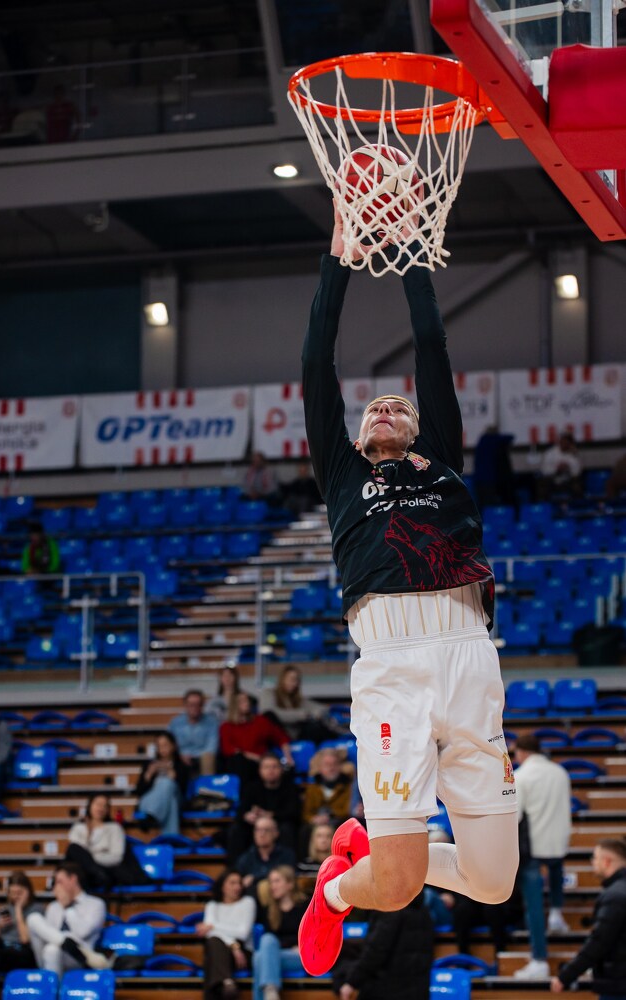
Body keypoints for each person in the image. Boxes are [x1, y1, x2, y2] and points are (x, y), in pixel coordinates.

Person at [297, 205, 518, 976]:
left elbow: (431, 343)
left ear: (419, 431)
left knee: (492, 883)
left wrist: (412, 248)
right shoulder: (342, 476)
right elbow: (316, 362)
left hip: (467, 656)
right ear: (359, 438)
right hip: (391, 666)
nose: (386, 407)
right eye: (373, 409)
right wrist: (340, 257)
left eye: (399, 406)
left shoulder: (442, 465)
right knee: (390, 890)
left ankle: (378, 855)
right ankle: (333, 891)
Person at [514, 733, 573, 980]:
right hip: (558, 841)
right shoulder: (560, 772)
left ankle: (539, 959)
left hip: (533, 846)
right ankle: (557, 914)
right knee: (556, 871)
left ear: (522, 752)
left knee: (534, 906)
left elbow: (515, 815)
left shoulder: (521, 776)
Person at [550, 838, 626, 997]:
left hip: (618, 984)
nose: (593, 862)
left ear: (606, 861)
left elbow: (599, 942)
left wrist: (567, 975)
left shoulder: (614, 897)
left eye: (595, 858)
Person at [331, 892, 435, 1000]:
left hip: (387, 989)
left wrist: (352, 982)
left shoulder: (390, 908)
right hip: (417, 991)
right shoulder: (424, 911)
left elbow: (375, 950)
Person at [26, 861, 110, 975]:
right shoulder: (53, 907)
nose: (56, 886)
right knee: (33, 918)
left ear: (73, 879)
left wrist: (67, 907)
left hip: (80, 957)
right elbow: (48, 936)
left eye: (60, 881)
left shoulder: (96, 904)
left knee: (53, 949)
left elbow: (82, 932)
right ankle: (66, 943)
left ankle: (53, 987)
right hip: (48, 956)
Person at [0, 871, 43, 1000]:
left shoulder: (36, 909)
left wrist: (18, 910)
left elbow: (25, 939)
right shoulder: (4, 909)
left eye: (19, 893)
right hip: (3, 953)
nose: (16, 897)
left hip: (24, 953)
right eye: (13, 893)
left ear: (28, 891)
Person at [65, 793, 150, 893]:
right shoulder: (78, 827)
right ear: (89, 806)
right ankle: (97, 875)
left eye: (104, 806)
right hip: (85, 873)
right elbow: (78, 854)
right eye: (98, 804)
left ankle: (98, 876)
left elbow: (116, 857)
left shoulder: (115, 828)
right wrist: (89, 836)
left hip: (107, 870)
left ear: (108, 809)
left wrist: (90, 857)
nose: (100, 808)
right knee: (72, 849)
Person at [196, 868, 257, 1000]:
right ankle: (227, 983)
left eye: (239, 883)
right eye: (232, 883)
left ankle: (226, 984)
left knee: (212, 956)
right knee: (213, 942)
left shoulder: (248, 902)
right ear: (222, 886)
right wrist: (232, 944)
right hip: (228, 948)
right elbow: (209, 933)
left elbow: (243, 933)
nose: (237, 887)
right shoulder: (212, 905)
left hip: (242, 953)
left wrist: (213, 926)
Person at [230, 752, 301, 859]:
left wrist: (270, 815)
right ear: (260, 770)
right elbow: (241, 811)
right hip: (255, 824)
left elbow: (294, 813)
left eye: (274, 767)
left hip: (279, 824)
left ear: (281, 769)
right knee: (236, 829)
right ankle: (236, 866)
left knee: (287, 829)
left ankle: (288, 864)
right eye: (266, 767)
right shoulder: (251, 788)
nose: (270, 771)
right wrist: (247, 816)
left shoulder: (291, 788)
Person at [253, 865, 308, 1000]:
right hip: (279, 953)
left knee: (259, 958)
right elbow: (271, 942)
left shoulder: (305, 906)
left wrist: (300, 946)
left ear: (290, 884)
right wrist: (290, 944)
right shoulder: (269, 910)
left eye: (277, 881)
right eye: (271, 882)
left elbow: (313, 934)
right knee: (266, 942)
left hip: (302, 955)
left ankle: (269, 993)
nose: (273, 886)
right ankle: (270, 991)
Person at [219, 692, 293, 783]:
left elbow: (281, 738)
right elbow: (228, 749)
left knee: (276, 766)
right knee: (238, 761)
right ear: (234, 705)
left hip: (262, 763)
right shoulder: (226, 727)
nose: (246, 703)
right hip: (243, 763)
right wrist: (256, 757)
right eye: (242, 701)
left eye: (247, 700)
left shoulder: (260, 721)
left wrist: (288, 757)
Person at [259, 664, 333, 743]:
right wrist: (301, 715)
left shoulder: (295, 699)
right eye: (292, 679)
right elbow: (269, 714)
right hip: (278, 736)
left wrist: (331, 709)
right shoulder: (269, 693)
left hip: (296, 736)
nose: (295, 684)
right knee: (314, 727)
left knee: (320, 726)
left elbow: (316, 707)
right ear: (282, 679)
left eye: (297, 681)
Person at [136, 731, 189, 834]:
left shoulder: (181, 766)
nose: (162, 749)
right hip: (148, 802)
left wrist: (174, 777)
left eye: (165, 745)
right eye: (159, 746)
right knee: (171, 800)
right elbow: (139, 792)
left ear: (173, 746)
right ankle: (171, 839)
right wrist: (148, 776)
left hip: (174, 800)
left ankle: (152, 816)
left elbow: (183, 792)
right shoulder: (149, 765)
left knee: (169, 789)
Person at [235, 817, 297, 894]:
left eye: (266, 830)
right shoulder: (245, 858)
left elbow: (288, 877)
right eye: (258, 830)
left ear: (276, 833)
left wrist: (254, 878)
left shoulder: (287, 855)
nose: (262, 834)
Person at [168, 689, 219, 777]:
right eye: (191, 705)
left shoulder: (211, 722)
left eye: (198, 704)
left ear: (202, 706)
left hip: (202, 758)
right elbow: (168, 743)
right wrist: (180, 755)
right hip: (180, 758)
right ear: (185, 705)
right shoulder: (175, 723)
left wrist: (195, 757)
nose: (194, 708)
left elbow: (212, 746)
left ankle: (206, 785)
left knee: (208, 758)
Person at [301, 747, 353, 831]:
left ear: (340, 767)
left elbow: (348, 811)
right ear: (320, 768)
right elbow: (306, 813)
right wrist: (314, 819)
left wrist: (330, 815)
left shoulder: (348, 787)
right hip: (317, 827)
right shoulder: (312, 789)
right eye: (327, 765)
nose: (331, 768)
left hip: (340, 825)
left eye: (335, 764)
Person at [472, 425, 516, 509]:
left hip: (478, 479)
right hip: (489, 479)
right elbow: (510, 437)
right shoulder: (493, 440)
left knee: (481, 504)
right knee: (489, 505)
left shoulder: (481, 441)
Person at [538, 432, 583, 499]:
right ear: (559, 441)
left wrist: (568, 467)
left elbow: (577, 472)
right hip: (552, 480)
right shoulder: (550, 453)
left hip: (567, 480)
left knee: (577, 484)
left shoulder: (573, 454)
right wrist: (557, 469)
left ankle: (577, 503)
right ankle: (543, 504)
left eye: (567, 442)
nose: (565, 443)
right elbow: (544, 470)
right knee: (542, 484)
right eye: (563, 441)